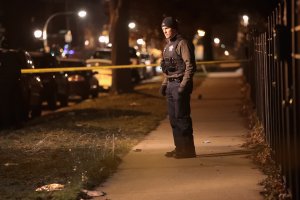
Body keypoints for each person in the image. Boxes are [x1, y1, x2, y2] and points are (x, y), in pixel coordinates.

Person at [159, 16, 196, 159]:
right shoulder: (167, 46)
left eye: (167, 28)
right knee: (173, 119)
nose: (165, 31)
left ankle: (188, 150)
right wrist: (164, 84)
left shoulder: (182, 44)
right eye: (163, 29)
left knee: (182, 118)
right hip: (170, 85)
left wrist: (183, 85)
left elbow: (190, 66)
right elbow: (167, 69)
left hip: (179, 84)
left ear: (174, 28)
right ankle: (179, 148)